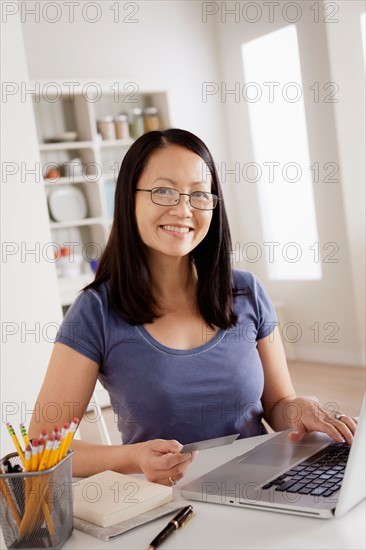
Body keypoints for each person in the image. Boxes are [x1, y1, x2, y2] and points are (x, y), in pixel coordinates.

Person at [29, 129, 357, 485]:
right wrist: (133, 457)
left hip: (264, 489)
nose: (183, 209)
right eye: (164, 191)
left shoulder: (246, 291)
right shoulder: (95, 311)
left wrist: (299, 408)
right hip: (165, 505)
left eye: (199, 195)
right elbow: (41, 447)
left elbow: (278, 404)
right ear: (129, 199)